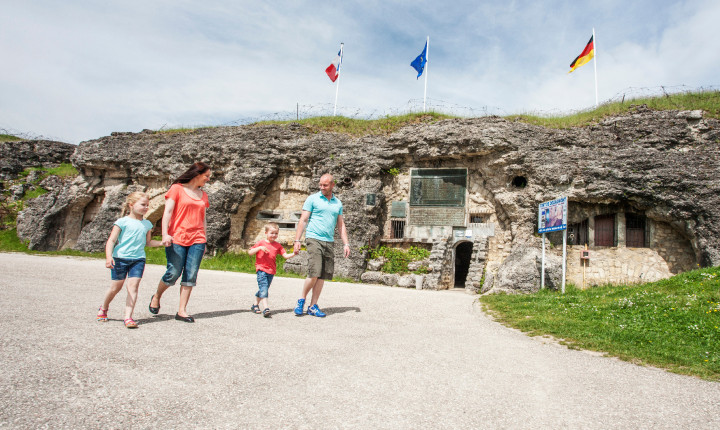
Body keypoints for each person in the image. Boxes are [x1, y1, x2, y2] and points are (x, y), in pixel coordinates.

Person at [149, 162, 211, 323]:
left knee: (190, 274)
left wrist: (204, 240)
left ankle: (182, 311)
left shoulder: (203, 195)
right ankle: (157, 296)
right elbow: (167, 212)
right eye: (207, 176)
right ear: (197, 175)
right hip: (177, 237)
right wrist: (164, 234)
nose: (208, 179)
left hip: (197, 239)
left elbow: (203, 219)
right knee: (173, 272)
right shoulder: (176, 189)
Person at [97, 192, 162, 328]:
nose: (145, 208)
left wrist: (163, 243)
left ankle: (128, 317)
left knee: (133, 287)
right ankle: (103, 308)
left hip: (138, 260)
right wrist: (109, 257)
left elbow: (148, 243)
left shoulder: (147, 224)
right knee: (115, 287)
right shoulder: (122, 222)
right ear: (131, 205)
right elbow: (112, 240)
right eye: (142, 205)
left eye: (147, 205)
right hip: (120, 258)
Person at [292, 174, 350, 318]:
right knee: (314, 273)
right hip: (313, 238)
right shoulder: (312, 199)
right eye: (320, 185)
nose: (322, 187)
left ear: (332, 185)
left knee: (323, 275)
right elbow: (303, 220)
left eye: (325, 185)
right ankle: (301, 300)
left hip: (328, 241)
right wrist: (297, 240)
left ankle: (313, 305)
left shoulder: (338, 203)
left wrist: (346, 243)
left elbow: (341, 225)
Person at [247, 222, 296, 317]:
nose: (274, 235)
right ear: (266, 233)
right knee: (264, 288)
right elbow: (250, 252)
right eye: (271, 233)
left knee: (263, 289)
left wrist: (294, 253)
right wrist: (260, 248)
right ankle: (266, 309)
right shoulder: (261, 243)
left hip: (271, 271)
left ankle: (255, 305)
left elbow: (285, 256)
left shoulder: (278, 245)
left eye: (276, 233)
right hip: (261, 270)